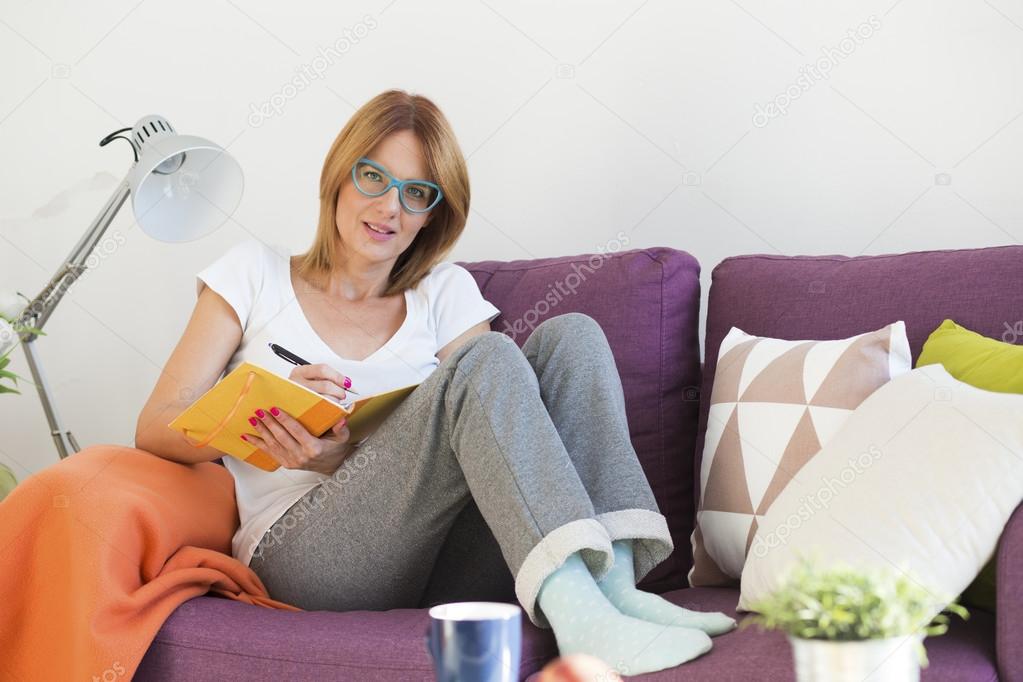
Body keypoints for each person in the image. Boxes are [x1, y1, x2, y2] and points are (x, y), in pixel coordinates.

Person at [135, 89, 734, 675]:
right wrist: (260, 426)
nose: (390, 208)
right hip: (304, 552)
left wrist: (349, 449)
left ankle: (614, 589)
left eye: (415, 193)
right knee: (486, 360)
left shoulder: (441, 293)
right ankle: (586, 625)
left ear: (432, 214)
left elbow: (498, 421)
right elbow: (155, 426)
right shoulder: (252, 273)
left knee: (569, 336)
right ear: (340, 176)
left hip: (442, 557)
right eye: (374, 178)